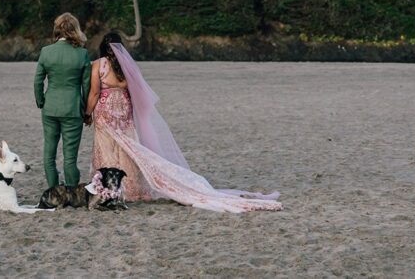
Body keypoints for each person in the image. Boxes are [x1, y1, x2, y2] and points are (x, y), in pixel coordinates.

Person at [85, 31, 282, 213]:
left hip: (106, 110)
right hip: (123, 110)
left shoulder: (99, 64)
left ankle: (109, 188)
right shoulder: (127, 67)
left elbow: (94, 92)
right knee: (129, 148)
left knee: (108, 147)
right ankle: (131, 187)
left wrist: (87, 112)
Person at [33, 13, 91, 188]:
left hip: (50, 108)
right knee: (70, 157)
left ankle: (53, 189)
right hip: (73, 109)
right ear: (75, 29)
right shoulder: (82, 54)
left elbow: (37, 81)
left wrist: (41, 101)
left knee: (49, 153)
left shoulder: (46, 52)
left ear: (57, 29)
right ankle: (72, 190)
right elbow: (86, 86)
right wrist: (87, 110)